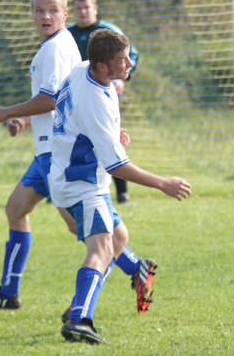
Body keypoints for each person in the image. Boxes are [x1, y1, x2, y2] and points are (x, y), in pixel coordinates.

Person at [0, 0, 148, 311]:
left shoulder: (54, 48)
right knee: (17, 210)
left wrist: (8, 112)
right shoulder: (61, 42)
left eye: (52, 11)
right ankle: (10, 292)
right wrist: (25, 121)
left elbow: (50, 98)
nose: (45, 16)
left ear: (64, 14)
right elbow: (65, 95)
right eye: (39, 10)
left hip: (59, 154)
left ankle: (129, 270)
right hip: (48, 149)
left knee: (92, 232)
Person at [50, 29, 191, 344]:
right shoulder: (96, 100)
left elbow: (78, 120)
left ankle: (108, 287)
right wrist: (162, 183)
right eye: (122, 60)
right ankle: (79, 318)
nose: (130, 63)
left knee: (118, 238)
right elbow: (117, 166)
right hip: (82, 184)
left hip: (66, 174)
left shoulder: (83, 71)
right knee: (100, 248)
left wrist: (109, 136)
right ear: (101, 66)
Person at [67, 0, 139, 204]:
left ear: (95, 9)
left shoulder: (107, 31)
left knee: (111, 138)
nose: (82, 12)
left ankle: (122, 191)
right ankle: (65, 187)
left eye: (86, 8)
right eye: (78, 8)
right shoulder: (68, 34)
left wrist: (121, 81)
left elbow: (130, 55)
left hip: (104, 91)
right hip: (77, 95)